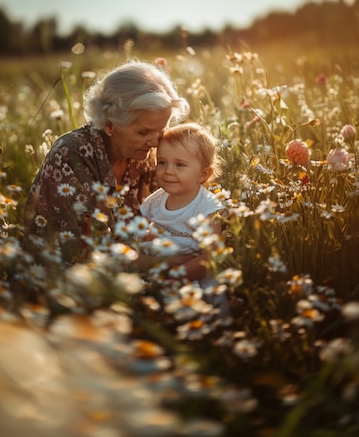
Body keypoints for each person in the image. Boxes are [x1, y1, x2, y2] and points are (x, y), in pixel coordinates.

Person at [23, 59, 189, 263]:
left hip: (132, 267)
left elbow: (163, 220)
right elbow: (84, 253)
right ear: (110, 125)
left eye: (161, 130)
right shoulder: (71, 154)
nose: (155, 142)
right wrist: (176, 263)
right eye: (144, 131)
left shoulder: (144, 154)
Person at [140, 122, 229, 283]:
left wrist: (175, 276)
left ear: (203, 174)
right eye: (162, 162)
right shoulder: (155, 200)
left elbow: (210, 256)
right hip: (157, 268)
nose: (168, 171)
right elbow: (137, 230)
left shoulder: (207, 208)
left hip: (191, 276)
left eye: (179, 164)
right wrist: (144, 237)